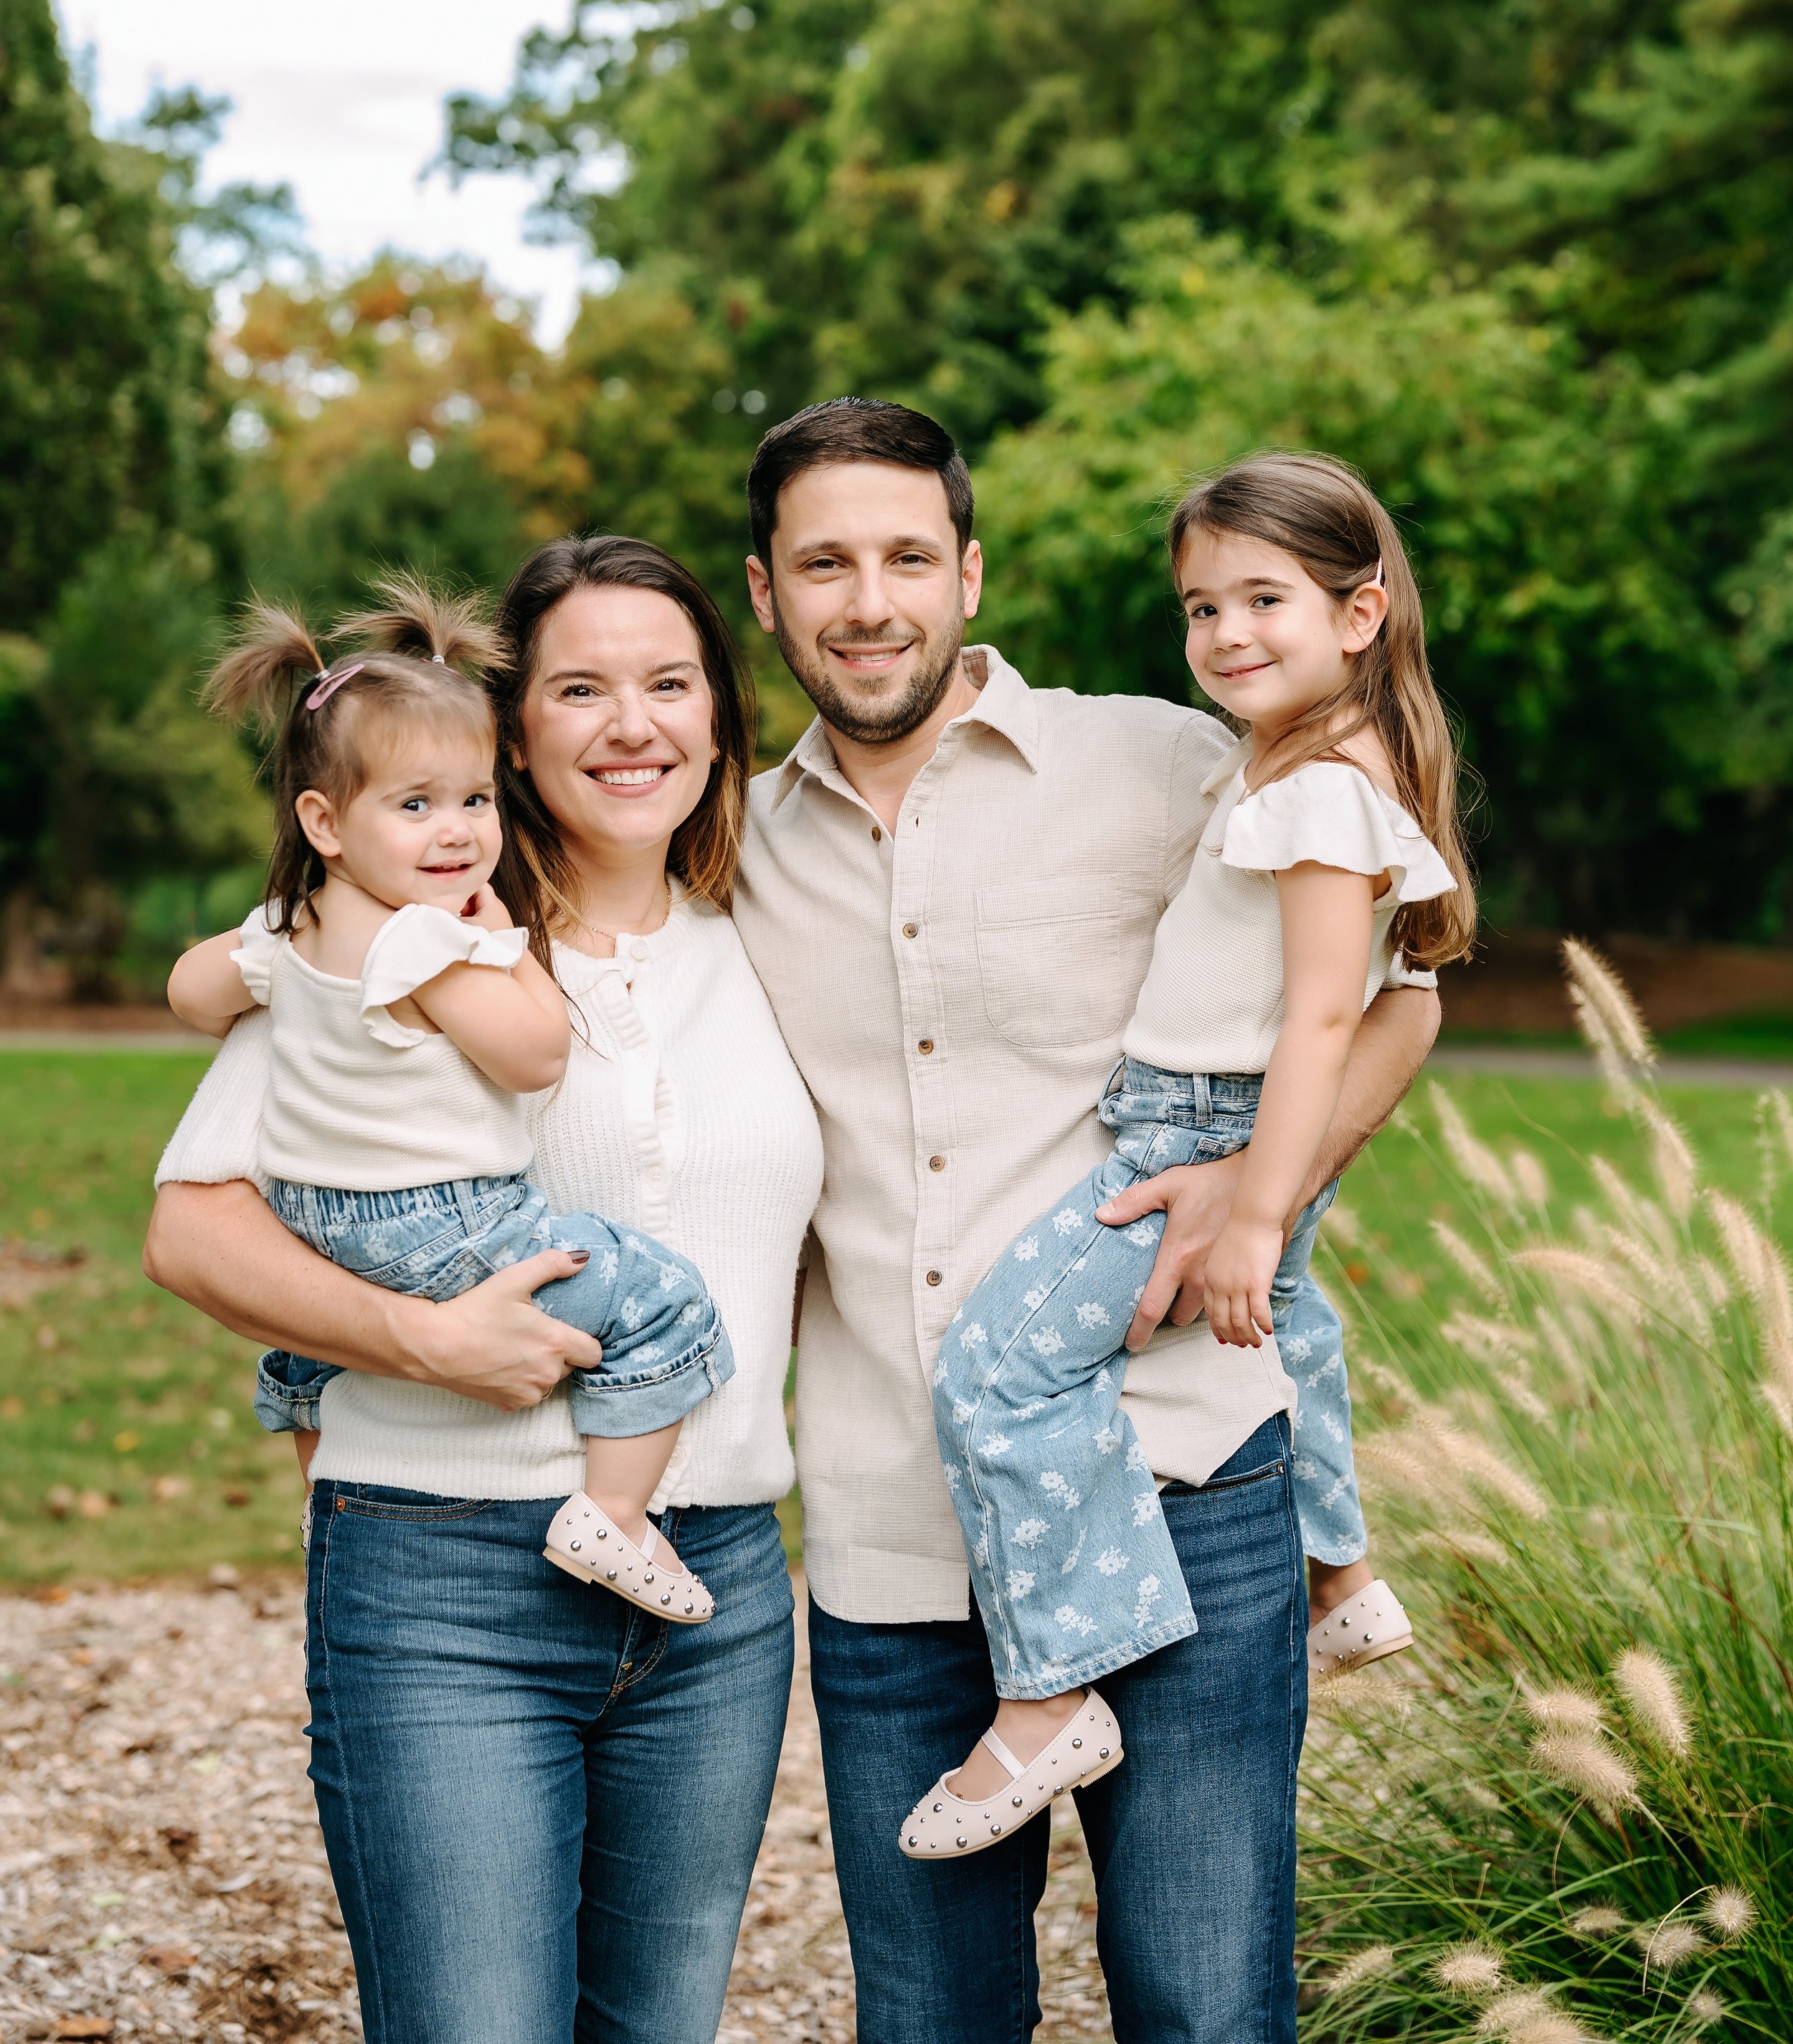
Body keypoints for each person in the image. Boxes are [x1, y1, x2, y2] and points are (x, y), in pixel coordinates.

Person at [731, 397, 1441, 2044]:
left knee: (1200, 2009)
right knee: (929, 2019)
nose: (868, 600)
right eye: (822, 564)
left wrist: (1250, 1194)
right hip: (896, 1524)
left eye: (907, 556)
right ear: (765, 595)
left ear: (968, 574)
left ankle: (1323, 1572)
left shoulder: (1178, 760)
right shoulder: (724, 844)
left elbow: (1390, 1007)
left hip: (1182, 1477)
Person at [144, 535, 823, 2044]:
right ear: (514, 735)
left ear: (721, 715)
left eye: (668, 682)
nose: (629, 724)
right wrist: (423, 1340)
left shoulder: (772, 940)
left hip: (712, 1594)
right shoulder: (391, 948)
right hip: (449, 1586)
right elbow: (193, 1232)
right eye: (578, 688)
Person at [907, 453, 1472, 1858]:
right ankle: (1338, 1577)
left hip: (1200, 1134)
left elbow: (1329, 1013)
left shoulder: (1318, 796)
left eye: (1261, 599)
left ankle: (1054, 1693)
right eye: (1199, 606)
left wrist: (1255, 1210)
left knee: (998, 1371)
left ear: (1357, 613)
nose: (1224, 634)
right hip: (1204, 1117)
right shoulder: (1303, 767)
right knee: (1294, 1335)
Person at [166, 578, 733, 1623]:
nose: (460, 832)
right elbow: (534, 1055)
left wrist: (276, 951)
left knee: (305, 1352)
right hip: (437, 1213)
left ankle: (318, 1494)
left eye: (473, 801)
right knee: (661, 1296)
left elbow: (190, 989)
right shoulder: (430, 937)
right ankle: (613, 1512)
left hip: (319, 1212)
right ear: (325, 820)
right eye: (417, 805)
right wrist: (504, 943)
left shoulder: (294, 926)